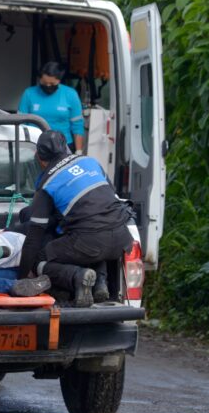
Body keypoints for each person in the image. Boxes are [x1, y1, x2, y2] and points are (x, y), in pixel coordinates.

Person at [19, 130, 134, 307]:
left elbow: (34, 238)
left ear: (40, 159)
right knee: (90, 235)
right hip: (122, 239)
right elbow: (108, 199)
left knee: (39, 257)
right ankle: (99, 283)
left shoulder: (48, 183)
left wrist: (21, 277)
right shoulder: (90, 162)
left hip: (90, 242)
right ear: (66, 149)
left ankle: (78, 277)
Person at [18, 62, 85, 154]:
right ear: (40, 79)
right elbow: (21, 123)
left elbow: (77, 125)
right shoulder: (29, 93)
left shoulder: (70, 94)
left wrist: (78, 151)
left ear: (59, 80)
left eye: (52, 83)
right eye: (44, 83)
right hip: (34, 145)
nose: (48, 86)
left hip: (63, 146)